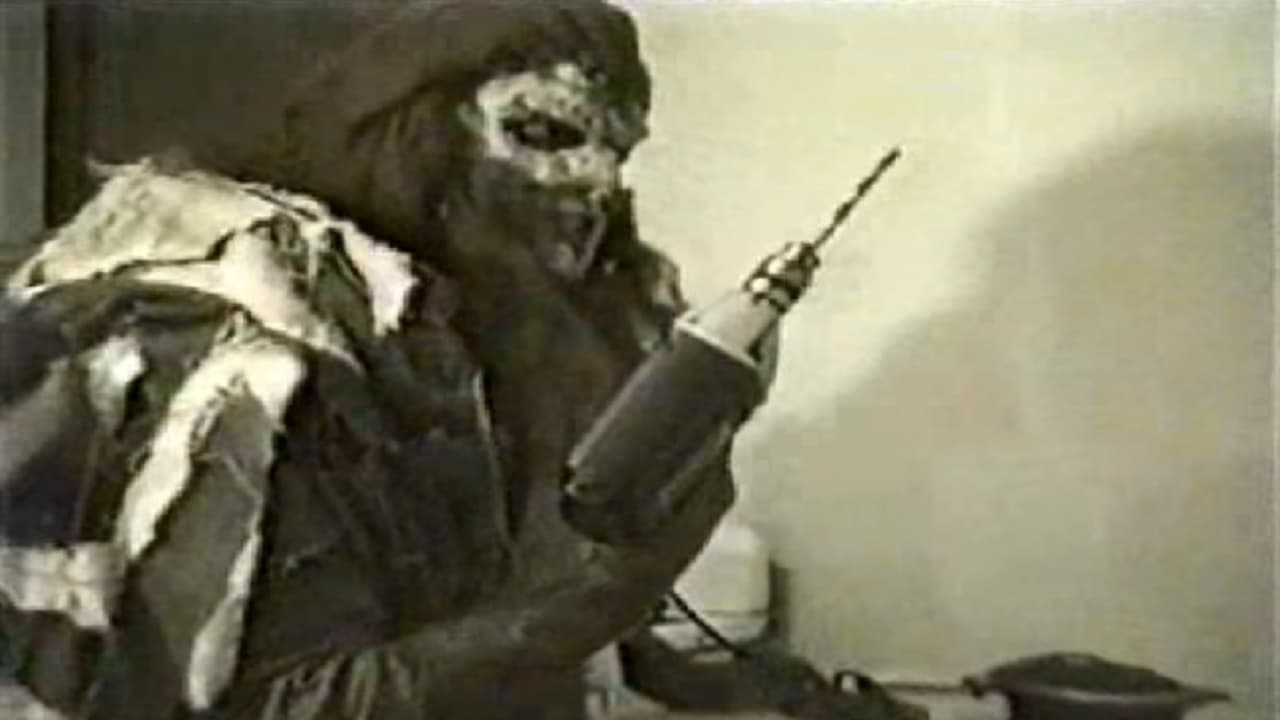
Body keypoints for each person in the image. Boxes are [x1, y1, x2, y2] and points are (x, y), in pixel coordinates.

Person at [0, 2, 738, 718]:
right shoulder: (271, 350)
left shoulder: (467, 330)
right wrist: (613, 589)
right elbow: (277, 702)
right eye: (544, 132)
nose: (599, 180)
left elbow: (468, 601)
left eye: (618, 151)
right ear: (417, 134)